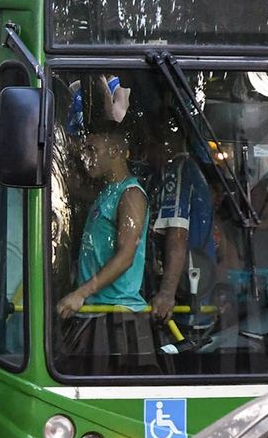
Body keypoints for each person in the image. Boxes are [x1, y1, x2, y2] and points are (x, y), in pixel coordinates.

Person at [56, 130, 149, 320]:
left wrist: (81, 293)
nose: (85, 157)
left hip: (116, 313)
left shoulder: (131, 195)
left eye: (92, 150)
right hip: (96, 309)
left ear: (114, 151)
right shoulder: (108, 192)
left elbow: (126, 257)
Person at [147, 130, 216, 325]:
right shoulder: (194, 172)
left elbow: (177, 235)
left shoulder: (177, 171)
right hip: (198, 293)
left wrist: (167, 293)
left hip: (181, 300)